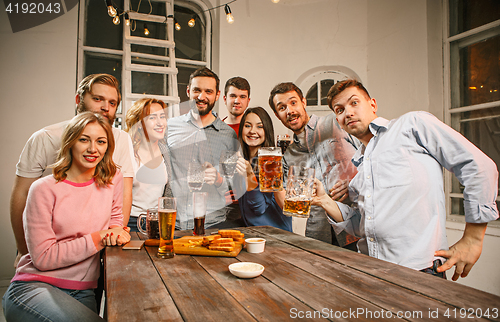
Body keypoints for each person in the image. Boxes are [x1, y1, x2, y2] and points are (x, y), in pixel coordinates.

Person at [314, 79, 498, 279]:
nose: (347, 113)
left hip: (419, 272)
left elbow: (479, 166)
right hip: (370, 270)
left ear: (373, 104)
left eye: (354, 103)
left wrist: (473, 238)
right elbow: (362, 226)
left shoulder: (411, 125)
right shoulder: (360, 167)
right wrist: (325, 200)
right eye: (339, 110)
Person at [2, 112, 131, 321]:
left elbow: (115, 220)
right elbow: (43, 257)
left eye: (101, 141)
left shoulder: (112, 178)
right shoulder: (43, 189)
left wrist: (114, 233)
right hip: (35, 286)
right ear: (70, 142)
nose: (93, 149)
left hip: (84, 291)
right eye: (84, 139)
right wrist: (100, 237)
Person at [10, 74, 134, 265]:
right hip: (48, 243)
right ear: (79, 100)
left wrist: (113, 237)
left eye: (112, 102)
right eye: (97, 98)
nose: (105, 107)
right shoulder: (45, 138)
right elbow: (22, 193)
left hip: (95, 248)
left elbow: (123, 196)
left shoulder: (122, 139)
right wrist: (24, 249)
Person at [268, 82, 359, 247]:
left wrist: (355, 182)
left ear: (304, 102)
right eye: (282, 108)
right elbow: (289, 206)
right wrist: (271, 177)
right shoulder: (288, 155)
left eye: (293, 102)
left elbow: (372, 153)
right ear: (277, 114)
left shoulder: (335, 122)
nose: (289, 111)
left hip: (357, 230)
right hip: (319, 238)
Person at [167, 67, 242, 230]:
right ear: (188, 91)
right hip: (174, 223)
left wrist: (218, 179)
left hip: (213, 223)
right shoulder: (169, 127)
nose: (201, 97)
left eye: (208, 91)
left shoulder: (228, 134)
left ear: (216, 95)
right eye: (196, 90)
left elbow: (230, 181)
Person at [236, 107, 292, 231]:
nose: (252, 131)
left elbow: (259, 208)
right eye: (247, 126)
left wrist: (249, 175)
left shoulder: (273, 163)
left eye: (259, 126)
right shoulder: (241, 159)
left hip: (277, 235)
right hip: (253, 232)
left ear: (267, 130)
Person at [125, 98, 172, 232]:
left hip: (157, 223)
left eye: (162, 117)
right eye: (152, 117)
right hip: (130, 222)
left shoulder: (166, 152)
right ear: (139, 124)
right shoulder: (128, 152)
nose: (160, 123)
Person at [222, 76, 251, 227]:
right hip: (224, 207)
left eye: (242, 97)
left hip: (252, 202)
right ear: (225, 98)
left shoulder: (255, 131)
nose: (237, 101)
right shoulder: (215, 131)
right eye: (233, 96)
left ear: (248, 101)